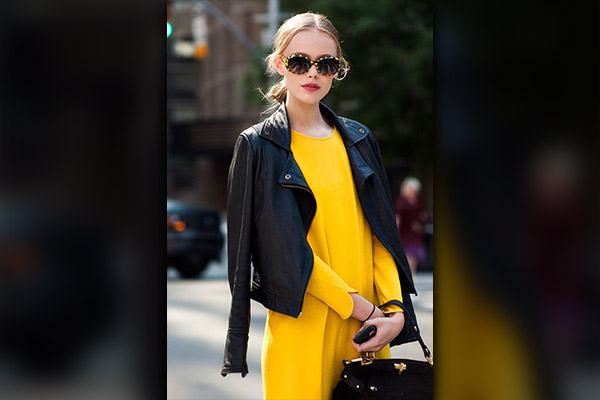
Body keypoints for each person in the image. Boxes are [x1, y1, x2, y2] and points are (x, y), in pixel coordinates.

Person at [221, 12, 419, 399]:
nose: (312, 73)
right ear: (280, 65)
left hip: (367, 333)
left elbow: (380, 233)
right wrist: (359, 306)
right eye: (299, 62)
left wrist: (394, 311)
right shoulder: (258, 146)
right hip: (304, 329)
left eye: (325, 64)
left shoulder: (359, 139)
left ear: (337, 70)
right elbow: (281, 252)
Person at [394, 177, 427, 278]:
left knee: (414, 253)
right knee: (407, 253)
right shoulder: (401, 201)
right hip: (404, 230)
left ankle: (413, 272)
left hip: (414, 231)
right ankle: (408, 274)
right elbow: (398, 216)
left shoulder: (417, 201)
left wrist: (420, 225)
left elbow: (421, 214)